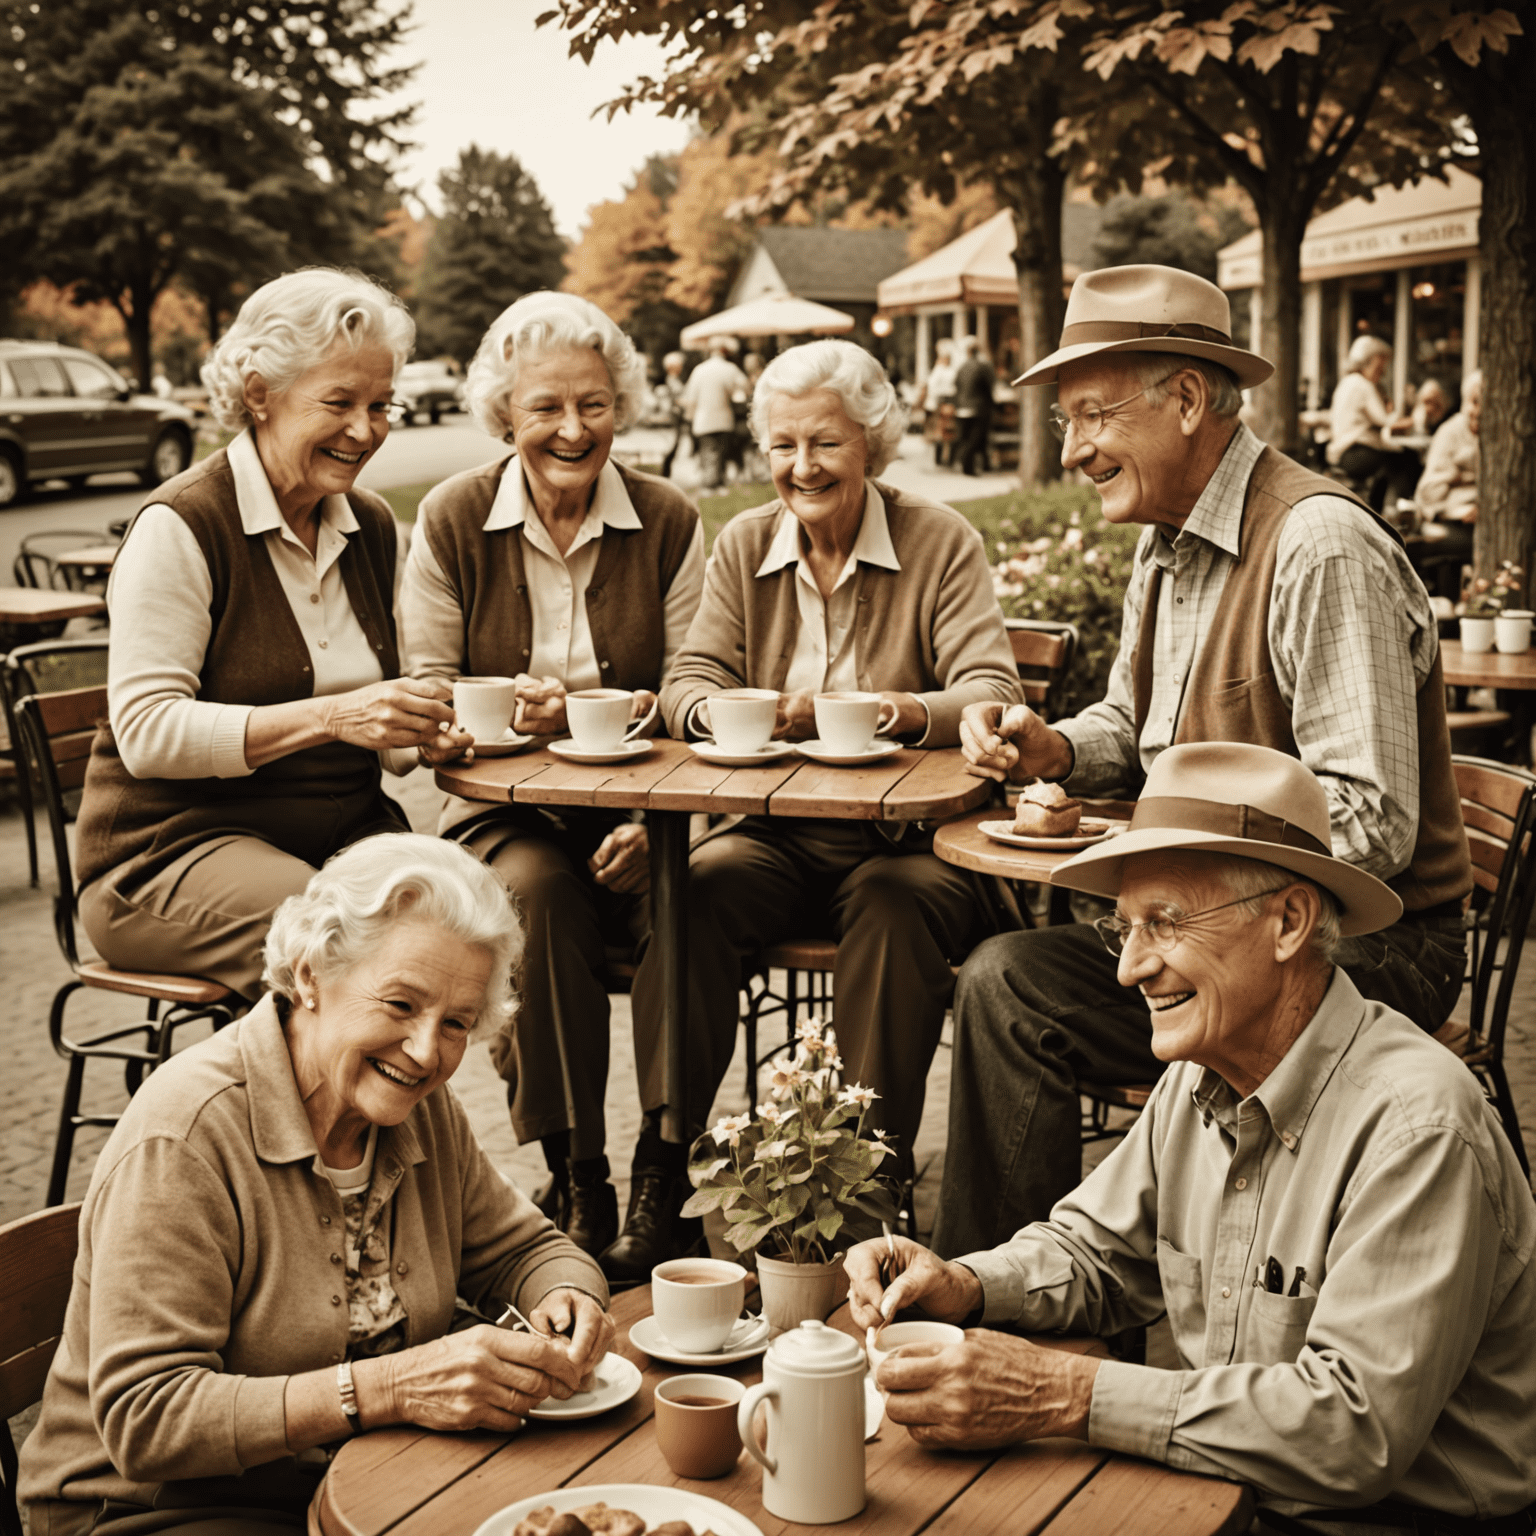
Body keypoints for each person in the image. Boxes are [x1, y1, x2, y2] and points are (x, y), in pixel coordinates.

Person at [844, 744, 1536, 1532]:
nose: (1128, 969)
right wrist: (965, 1284)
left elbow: (1351, 1433)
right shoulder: (1201, 1074)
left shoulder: (1418, 1129)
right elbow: (1096, 1250)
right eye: (1123, 929)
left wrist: (1058, 1391)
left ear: (1289, 921)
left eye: (1165, 923)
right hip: (1227, 1494)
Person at [938, 264, 1471, 1260]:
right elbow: (1134, 725)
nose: (1075, 450)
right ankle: (990, 1309)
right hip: (1221, 923)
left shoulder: (1318, 546)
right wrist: (1049, 746)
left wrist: (1172, 845)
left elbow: (1373, 824)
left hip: (1373, 942)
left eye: (1093, 415)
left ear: (1186, 399)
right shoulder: (1167, 541)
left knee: (1036, 988)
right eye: (1066, 422)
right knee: (1004, 984)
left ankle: (1056, 1333)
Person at [19, 834, 616, 1536]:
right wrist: (391, 1388)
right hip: (154, 1511)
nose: (427, 1053)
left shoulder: (420, 1113)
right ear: (309, 974)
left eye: (455, 1023)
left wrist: (567, 1300)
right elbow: (148, 1419)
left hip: (357, 1478)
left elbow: (524, 1251)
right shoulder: (186, 1136)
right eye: (399, 1005)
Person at [606, 339, 1024, 1282]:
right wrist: (724, 712)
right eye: (784, 445)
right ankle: (664, 1163)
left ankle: (863, 1190)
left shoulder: (939, 539)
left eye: (825, 443)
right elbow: (689, 680)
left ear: (873, 441)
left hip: (906, 841)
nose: (803, 467)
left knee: (891, 906)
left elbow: (990, 686)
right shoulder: (746, 542)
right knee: (693, 887)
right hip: (774, 836)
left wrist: (889, 712)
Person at [400, 291, 704, 1261]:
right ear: (505, 414)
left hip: (653, 808)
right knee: (533, 895)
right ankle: (579, 1177)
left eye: (596, 405)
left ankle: (665, 1171)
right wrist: (486, 712)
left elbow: (701, 686)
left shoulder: (668, 518)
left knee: (695, 904)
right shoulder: (452, 519)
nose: (573, 431)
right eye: (546, 409)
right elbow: (427, 692)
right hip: (506, 811)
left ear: (623, 405)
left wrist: (660, 815)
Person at [74, 267, 459, 1003]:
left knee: (463, 916)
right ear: (260, 395)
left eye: (382, 405)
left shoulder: (370, 525)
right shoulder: (183, 524)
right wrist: (334, 716)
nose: (365, 429)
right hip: (168, 852)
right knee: (342, 948)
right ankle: (274, 1121)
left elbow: (385, 731)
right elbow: (149, 732)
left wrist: (434, 725)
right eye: (340, 401)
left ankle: (392, 1122)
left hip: (333, 843)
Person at [1326, 334, 1419, 510]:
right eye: (1379, 366)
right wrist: (1412, 417)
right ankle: (1402, 507)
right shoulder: (1362, 385)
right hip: (1352, 452)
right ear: (1366, 362)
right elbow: (1385, 421)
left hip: (1342, 453)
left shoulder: (1346, 383)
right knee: (1405, 459)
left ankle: (1378, 508)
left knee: (1392, 462)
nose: (1382, 372)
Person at [683, 335, 749, 489]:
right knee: (721, 453)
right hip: (724, 419)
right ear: (725, 351)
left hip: (703, 420)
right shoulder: (731, 369)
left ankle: (711, 483)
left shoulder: (699, 370)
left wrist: (689, 418)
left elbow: (690, 398)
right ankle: (715, 483)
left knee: (708, 452)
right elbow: (745, 388)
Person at [1416, 369, 1481, 522]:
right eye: (1475, 402)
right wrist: (1460, 477)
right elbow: (1428, 492)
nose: (1479, 411)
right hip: (1452, 515)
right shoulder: (1450, 431)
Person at [952, 335, 995, 476]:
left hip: (961, 408)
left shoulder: (961, 367)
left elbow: (956, 386)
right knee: (976, 439)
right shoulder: (983, 367)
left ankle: (969, 466)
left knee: (965, 438)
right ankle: (967, 465)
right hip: (978, 408)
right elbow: (989, 387)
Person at [922, 338, 958, 468]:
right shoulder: (939, 370)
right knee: (939, 433)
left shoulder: (951, 370)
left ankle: (949, 460)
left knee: (950, 432)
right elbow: (933, 387)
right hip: (940, 403)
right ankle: (939, 459)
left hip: (948, 403)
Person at [657, 349, 689, 479]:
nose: (681, 367)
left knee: (672, 450)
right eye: (679, 365)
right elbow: (674, 402)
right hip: (673, 420)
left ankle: (665, 476)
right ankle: (664, 476)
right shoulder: (672, 382)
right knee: (670, 450)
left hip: (675, 420)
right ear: (672, 367)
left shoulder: (673, 381)